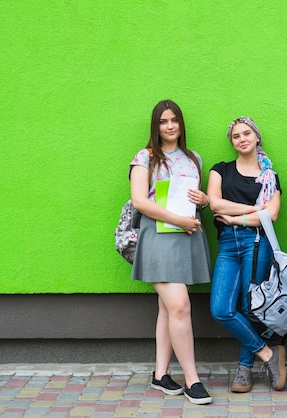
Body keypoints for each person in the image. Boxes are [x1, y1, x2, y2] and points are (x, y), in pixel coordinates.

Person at [129, 99, 212, 405]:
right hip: (159, 238)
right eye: (163, 121)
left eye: (174, 120)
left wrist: (202, 200)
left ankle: (160, 374)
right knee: (179, 305)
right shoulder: (145, 157)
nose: (170, 126)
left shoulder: (193, 158)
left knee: (168, 307)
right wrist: (177, 219)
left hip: (186, 238)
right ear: (156, 125)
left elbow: (194, 200)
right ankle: (192, 379)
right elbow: (140, 201)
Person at [207, 116, 286, 393]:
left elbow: (272, 215)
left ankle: (244, 369)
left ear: (256, 137)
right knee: (220, 309)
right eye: (236, 136)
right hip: (228, 245)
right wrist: (254, 210)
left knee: (248, 306)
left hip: (257, 243)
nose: (241, 139)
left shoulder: (270, 176)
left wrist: (237, 218)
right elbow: (215, 204)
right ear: (232, 142)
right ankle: (268, 354)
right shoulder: (221, 170)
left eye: (246, 134)